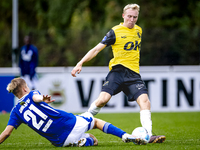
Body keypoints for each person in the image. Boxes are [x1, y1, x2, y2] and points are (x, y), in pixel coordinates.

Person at [71, 4, 166, 143]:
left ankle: (149, 135)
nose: (132, 19)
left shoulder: (139, 30)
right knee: (102, 100)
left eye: (135, 17)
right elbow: (97, 49)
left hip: (133, 75)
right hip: (117, 72)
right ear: (123, 16)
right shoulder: (115, 31)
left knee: (145, 101)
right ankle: (80, 123)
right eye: (129, 16)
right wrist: (80, 63)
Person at [0, 78, 147, 147]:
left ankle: (81, 141)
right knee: (95, 122)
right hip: (69, 124)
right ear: (25, 89)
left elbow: (6, 133)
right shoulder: (33, 93)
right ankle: (126, 136)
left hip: (59, 141)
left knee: (93, 140)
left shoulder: (15, 112)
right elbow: (35, 97)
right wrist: (41, 97)